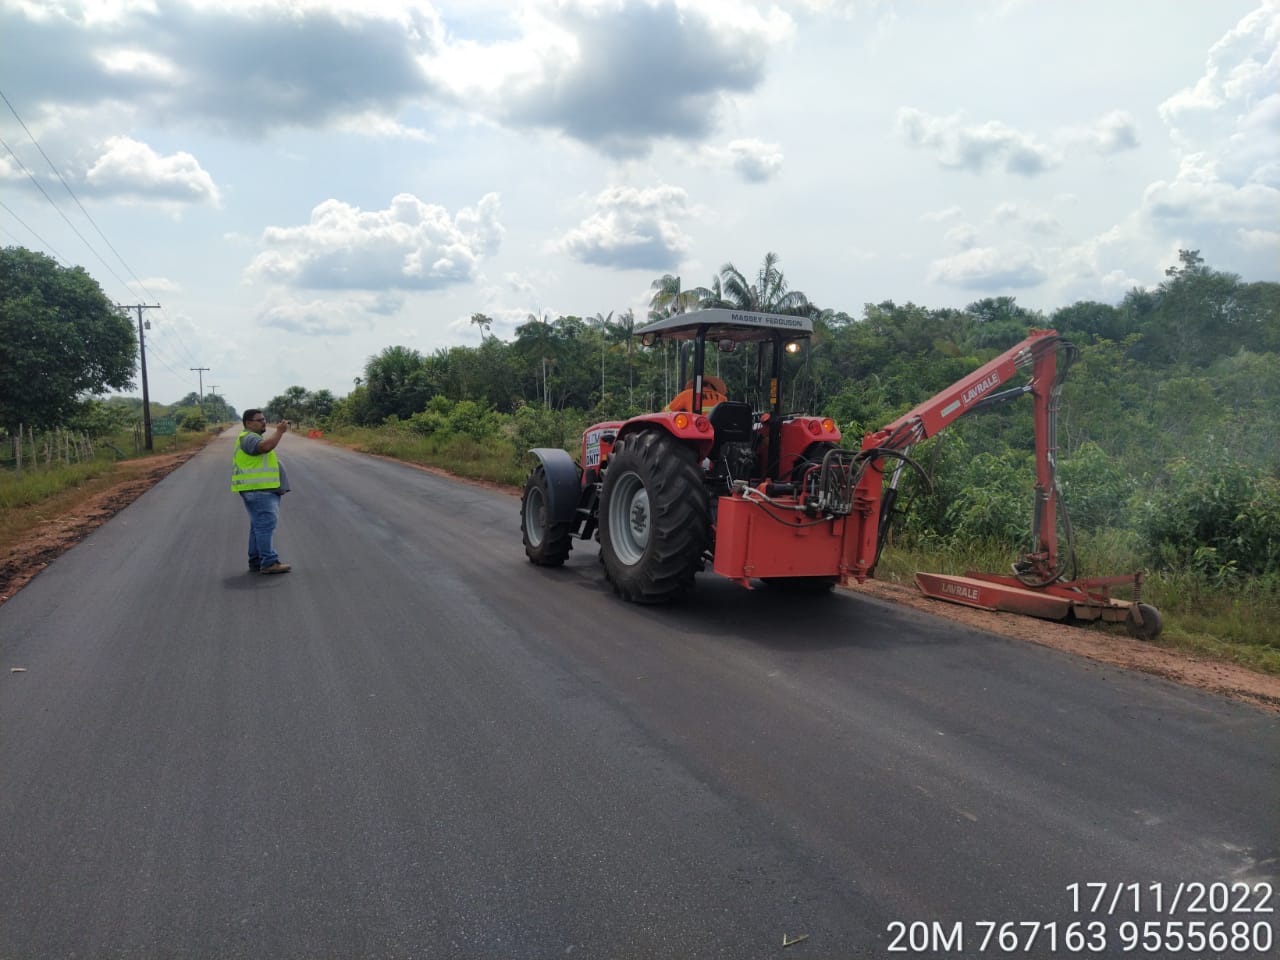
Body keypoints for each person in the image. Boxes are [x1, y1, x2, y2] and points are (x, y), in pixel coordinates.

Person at [232, 409, 292, 574]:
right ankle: (269, 562)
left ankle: (256, 560)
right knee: (265, 526)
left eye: (264, 419)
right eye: (259, 420)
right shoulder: (249, 437)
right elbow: (265, 447)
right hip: (259, 490)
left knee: (258, 526)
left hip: (258, 489)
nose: (264, 422)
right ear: (248, 423)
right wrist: (279, 432)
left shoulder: (251, 437)